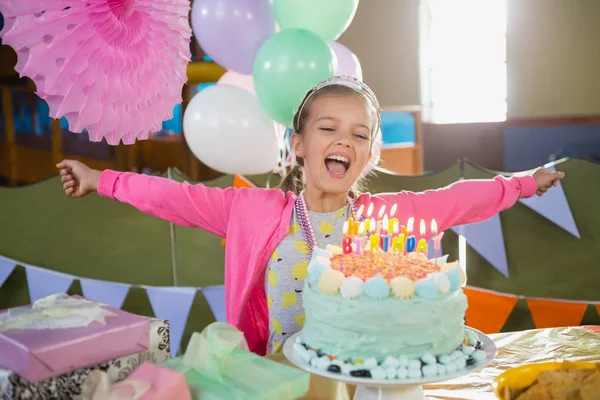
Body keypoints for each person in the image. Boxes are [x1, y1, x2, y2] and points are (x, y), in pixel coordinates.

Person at [56, 76, 564, 356]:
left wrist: (522, 183)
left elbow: (459, 198)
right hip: (279, 375)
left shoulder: (390, 215)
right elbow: (175, 197)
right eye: (328, 128)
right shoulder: (251, 211)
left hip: (364, 377)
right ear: (299, 145)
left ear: (369, 156)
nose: (345, 139)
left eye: (360, 134)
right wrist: (101, 179)